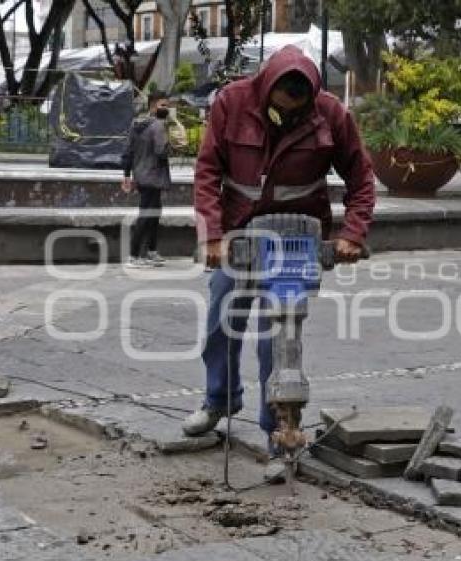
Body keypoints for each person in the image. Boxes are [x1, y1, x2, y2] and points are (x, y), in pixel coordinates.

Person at [183, 45, 375, 481]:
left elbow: (361, 178)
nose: (288, 115)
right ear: (267, 89)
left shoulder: (331, 115)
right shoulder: (232, 103)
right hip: (238, 236)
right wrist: (211, 234)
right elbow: (207, 170)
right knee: (219, 323)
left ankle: (279, 433)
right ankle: (219, 400)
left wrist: (351, 234)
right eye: (281, 107)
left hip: (294, 243)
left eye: (298, 109)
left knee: (279, 340)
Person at [121, 91, 171, 268]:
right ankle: (134, 255)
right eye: (163, 105)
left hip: (141, 175)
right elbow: (161, 151)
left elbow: (128, 152)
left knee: (153, 214)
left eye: (167, 105)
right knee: (147, 215)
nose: (167, 109)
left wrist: (127, 175)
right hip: (154, 176)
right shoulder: (158, 126)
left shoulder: (136, 123)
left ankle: (151, 251)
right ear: (153, 106)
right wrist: (171, 143)